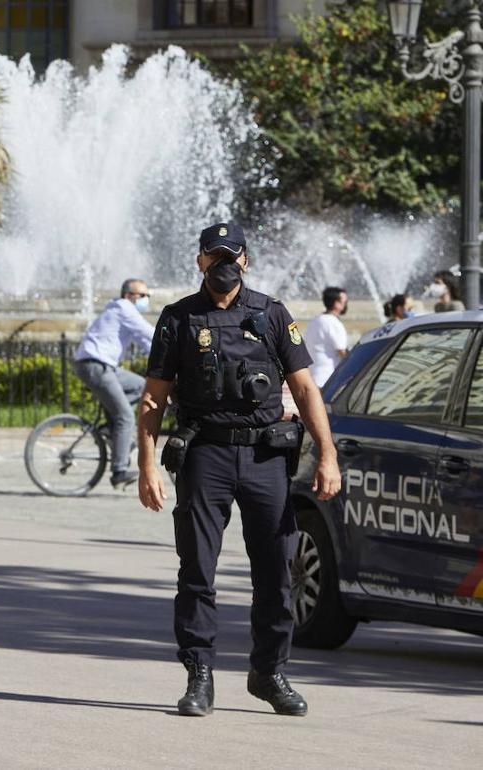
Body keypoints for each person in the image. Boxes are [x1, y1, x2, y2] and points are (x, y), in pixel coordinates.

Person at [136, 222, 341, 719]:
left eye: (232, 255)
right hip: (205, 455)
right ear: (200, 261)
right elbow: (153, 397)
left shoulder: (271, 314)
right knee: (198, 570)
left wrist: (327, 454)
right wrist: (147, 467)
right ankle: (199, 675)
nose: (224, 264)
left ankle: (269, 673)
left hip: (266, 458)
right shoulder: (179, 318)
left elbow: (308, 389)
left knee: (277, 571)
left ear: (246, 260)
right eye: (215, 255)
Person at [73, 278, 155, 487]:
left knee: (142, 386)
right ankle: (119, 471)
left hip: (104, 366)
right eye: (143, 295)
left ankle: (111, 431)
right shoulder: (124, 308)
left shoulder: (124, 312)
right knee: (126, 417)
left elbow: (147, 344)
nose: (147, 300)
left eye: (148, 296)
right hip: (95, 364)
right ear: (129, 296)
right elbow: (150, 334)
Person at [303, 286, 348, 387]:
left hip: (314, 378)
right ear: (337, 303)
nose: (345, 305)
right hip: (329, 378)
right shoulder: (334, 323)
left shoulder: (314, 321)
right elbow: (342, 352)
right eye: (344, 302)